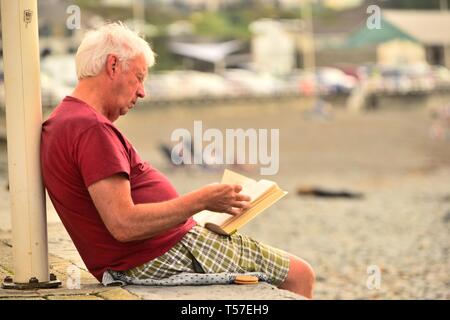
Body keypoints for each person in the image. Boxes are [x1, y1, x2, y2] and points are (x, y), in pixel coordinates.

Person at [40, 22, 315, 298]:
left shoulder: (63, 120)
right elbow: (123, 224)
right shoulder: (91, 129)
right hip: (160, 254)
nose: (142, 92)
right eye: (138, 77)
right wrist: (202, 200)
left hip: (149, 253)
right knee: (300, 275)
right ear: (112, 66)